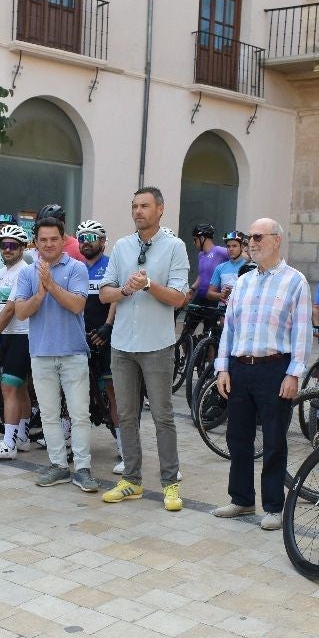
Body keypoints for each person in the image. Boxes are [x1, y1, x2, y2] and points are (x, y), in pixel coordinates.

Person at [210, 218, 311, 529]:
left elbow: (302, 332)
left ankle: (274, 507)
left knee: (274, 440)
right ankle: (241, 499)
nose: (251, 243)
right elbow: (229, 329)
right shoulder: (243, 282)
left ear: (276, 240)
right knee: (237, 436)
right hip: (240, 368)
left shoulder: (295, 281)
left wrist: (294, 374)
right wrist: (222, 367)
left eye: (257, 237)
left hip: (275, 369)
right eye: (248, 238)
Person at [99, 187, 191, 511]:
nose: (138, 211)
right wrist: (125, 289)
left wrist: (149, 285)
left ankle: (170, 484)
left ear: (160, 209)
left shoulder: (175, 247)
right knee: (126, 415)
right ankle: (131, 480)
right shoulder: (122, 246)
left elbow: (179, 298)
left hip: (157, 345)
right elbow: (104, 294)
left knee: (163, 417)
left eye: (145, 206)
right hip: (122, 344)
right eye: (134, 206)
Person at [11, 217, 98, 491]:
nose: (48, 244)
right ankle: (58, 466)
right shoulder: (27, 273)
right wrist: (39, 294)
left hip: (73, 353)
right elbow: (21, 312)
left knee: (79, 414)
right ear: (35, 243)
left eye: (54, 239)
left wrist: (51, 285)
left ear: (63, 240)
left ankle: (82, 469)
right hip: (41, 353)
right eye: (43, 240)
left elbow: (77, 305)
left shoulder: (77, 268)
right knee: (49, 415)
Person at [0, 224, 34, 459]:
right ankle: (22, 437)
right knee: (19, 388)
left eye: (13, 245)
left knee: (8, 387)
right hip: (8, 336)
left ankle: (9, 444)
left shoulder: (25, 271)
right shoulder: (1, 273)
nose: (7, 249)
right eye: (3, 245)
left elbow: (10, 309)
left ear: (22, 248)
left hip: (23, 335)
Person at [77, 219, 124, 472]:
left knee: (113, 391)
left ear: (103, 241)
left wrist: (108, 326)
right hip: (80, 338)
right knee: (75, 392)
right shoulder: (75, 267)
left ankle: (124, 446)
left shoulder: (110, 265)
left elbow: (116, 297)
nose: (85, 242)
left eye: (91, 237)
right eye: (81, 237)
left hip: (106, 336)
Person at [184, 223, 228, 336]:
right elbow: (201, 275)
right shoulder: (201, 255)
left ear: (202, 238)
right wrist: (192, 289)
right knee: (187, 328)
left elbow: (239, 256)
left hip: (214, 298)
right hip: (200, 295)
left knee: (208, 333)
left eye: (195, 239)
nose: (194, 243)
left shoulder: (220, 251)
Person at [206, 231, 247, 304]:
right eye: (228, 246)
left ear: (242, 247)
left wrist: (233, 293)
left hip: (241, 309)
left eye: (234, 246)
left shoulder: (249, 267)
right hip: (222, 309)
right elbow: (209, 294)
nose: (231, 249)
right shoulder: (220, 267)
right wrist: (221, 295)